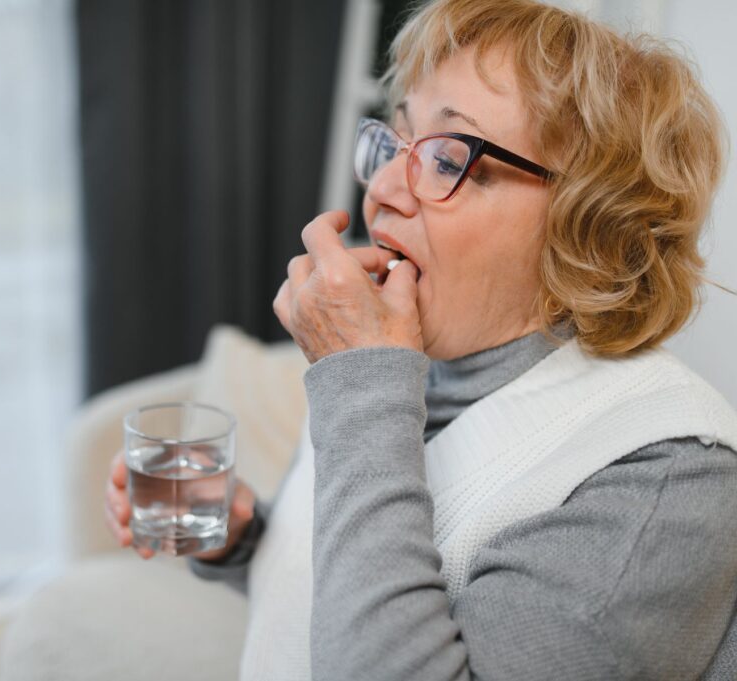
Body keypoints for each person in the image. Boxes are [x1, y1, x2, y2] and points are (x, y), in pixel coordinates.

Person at [104, 0, 737, 678]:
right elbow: (350, 593)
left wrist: (361, 380)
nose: (379, 188)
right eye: (396, 141)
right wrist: (242, 540)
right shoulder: (398, 365)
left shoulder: (668, 475)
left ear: (588, 223)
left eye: (446, 158)